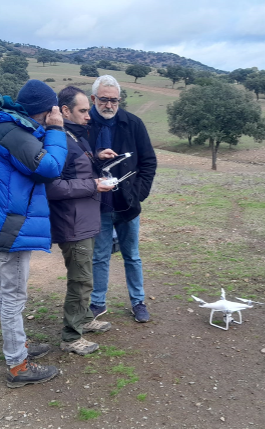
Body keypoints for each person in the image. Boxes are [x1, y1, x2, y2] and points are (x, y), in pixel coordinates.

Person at [0, 80, 68, 388]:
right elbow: (49, 167)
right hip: (11, 225)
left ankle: (18, 346)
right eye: (54, 110)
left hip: (4, 220)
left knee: (13, 291)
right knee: (13, 294)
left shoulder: (7, 126)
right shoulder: (12, 133)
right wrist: (58, 131)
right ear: (47, 110)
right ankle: (17, 365)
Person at [47, 86, 115, 355]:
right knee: (81, 280)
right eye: (83, 110)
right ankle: (70, 336)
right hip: (72, 223)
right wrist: (93, 186)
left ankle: (85, 320)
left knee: (84, 277)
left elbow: (77, 170)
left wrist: (98, 158)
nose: (89, 116)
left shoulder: (74, 137)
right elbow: (52, 187)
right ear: (65, 110)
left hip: (85, 219)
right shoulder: (58, 141)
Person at [88, 75, 158, 323]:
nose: (109, 105)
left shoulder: (133, 123)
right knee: (99, 256)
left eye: (114, 100)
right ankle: (97, 303)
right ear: (94, 98)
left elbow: (148, 161)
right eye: (104, 100)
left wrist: (138, 194)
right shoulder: (83, 124)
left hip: (128, 204)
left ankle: (138, 301)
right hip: (97, 204)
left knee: (132, 255)